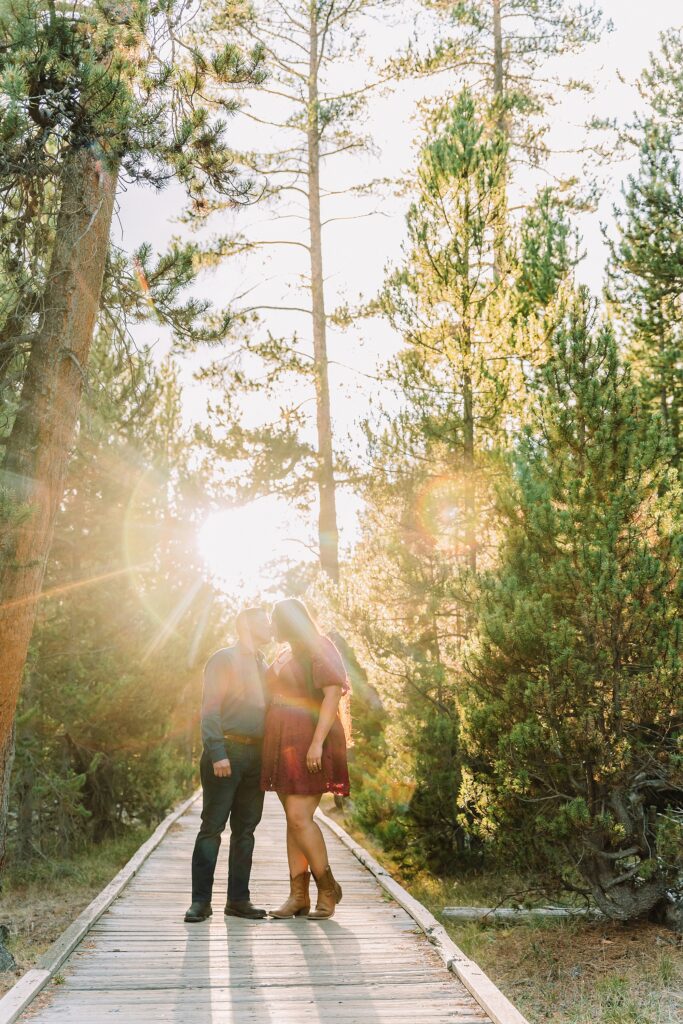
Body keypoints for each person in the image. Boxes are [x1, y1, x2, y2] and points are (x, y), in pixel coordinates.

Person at [261, 598, 350, 920]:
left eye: (274, 620)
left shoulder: (319, 646)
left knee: (300, 817)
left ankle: (327, 889)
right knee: (293, 820)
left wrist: (316, 743)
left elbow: (332, 694)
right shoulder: (285, 653)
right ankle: (298, 896)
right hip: (283, 741)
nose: (271, 626)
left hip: (310, 738)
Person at [184, 607, 272, 923]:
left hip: (256, 757)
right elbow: (209, 709)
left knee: (245, 830)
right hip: (226, 752)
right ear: (247, 626)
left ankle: (238, 900)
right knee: (212, 827)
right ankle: (200, 902)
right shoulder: (224, 659)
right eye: (264, 622)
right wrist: (218, 751)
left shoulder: (263, 664)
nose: (270, 627)